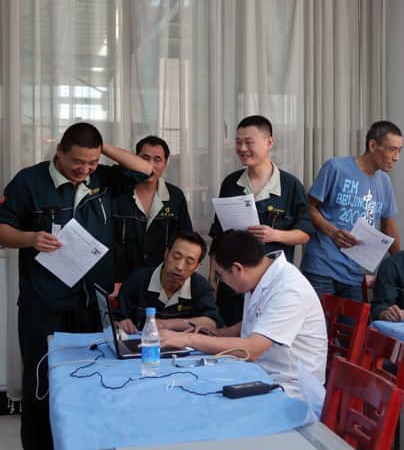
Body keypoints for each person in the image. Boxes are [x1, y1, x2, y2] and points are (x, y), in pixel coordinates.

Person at [0, 122, 153, 450]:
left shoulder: (102, 178)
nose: (85, 170)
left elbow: (144, 169)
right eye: (77, 162)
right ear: (59, 151)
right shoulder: (30, 181)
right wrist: (30, 238)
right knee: (42, 383)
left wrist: (99, 147)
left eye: (92, 162)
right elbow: (2, 228)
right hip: (45, 303)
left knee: (92, 378)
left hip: (92, 303)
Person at [161, 230, 327, 399]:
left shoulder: (289, 290)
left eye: (220, 276)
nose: (222, 281)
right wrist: (218, 333)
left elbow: (251, 349)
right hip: (260, 372)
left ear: (237, 269)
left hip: (289, 387)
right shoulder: (260, 275)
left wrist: (187, 339)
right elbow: (258, 321)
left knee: (202, 396)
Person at [208, 115, 313, 326]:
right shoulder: (231, 183)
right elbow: (218, 234)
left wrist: (275, 235)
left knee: (261, 337)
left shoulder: (290, 185)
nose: (242, 148)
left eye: (249, 142)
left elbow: (305, 233)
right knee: (229, 335)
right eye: (238, 142)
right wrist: (213, 276)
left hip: (270, 286)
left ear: (269, 142)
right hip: (232, 284)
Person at [300, 120, 403, 301]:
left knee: (354, 320)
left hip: (355, 273)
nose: (396, 157)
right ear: (373, 145)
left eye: (399, 150)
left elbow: (388, 224)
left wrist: (402, 264)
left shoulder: (385, 182)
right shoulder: (336, 168)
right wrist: (332, 232)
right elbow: (308, 207)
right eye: (392, 149)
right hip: (322, 267)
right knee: (317, 320)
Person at [112, 135, 192, 283]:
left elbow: (186, 240)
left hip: (162, 280)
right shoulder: (118, 194)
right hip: (121, 282)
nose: (150, 165)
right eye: (145, 158)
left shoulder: (175, 196)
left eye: (157, 160)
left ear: (166, 163)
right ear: (135, 159)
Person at [116, 230, 223, 334]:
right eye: (176, 257)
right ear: (166, 254)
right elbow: (114, 318)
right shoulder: (137, 280)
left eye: (189, 262)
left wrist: (167, 324)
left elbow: (212, 322)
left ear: (197, 267)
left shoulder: (200, 286)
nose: (179, 267)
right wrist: (120, 324)